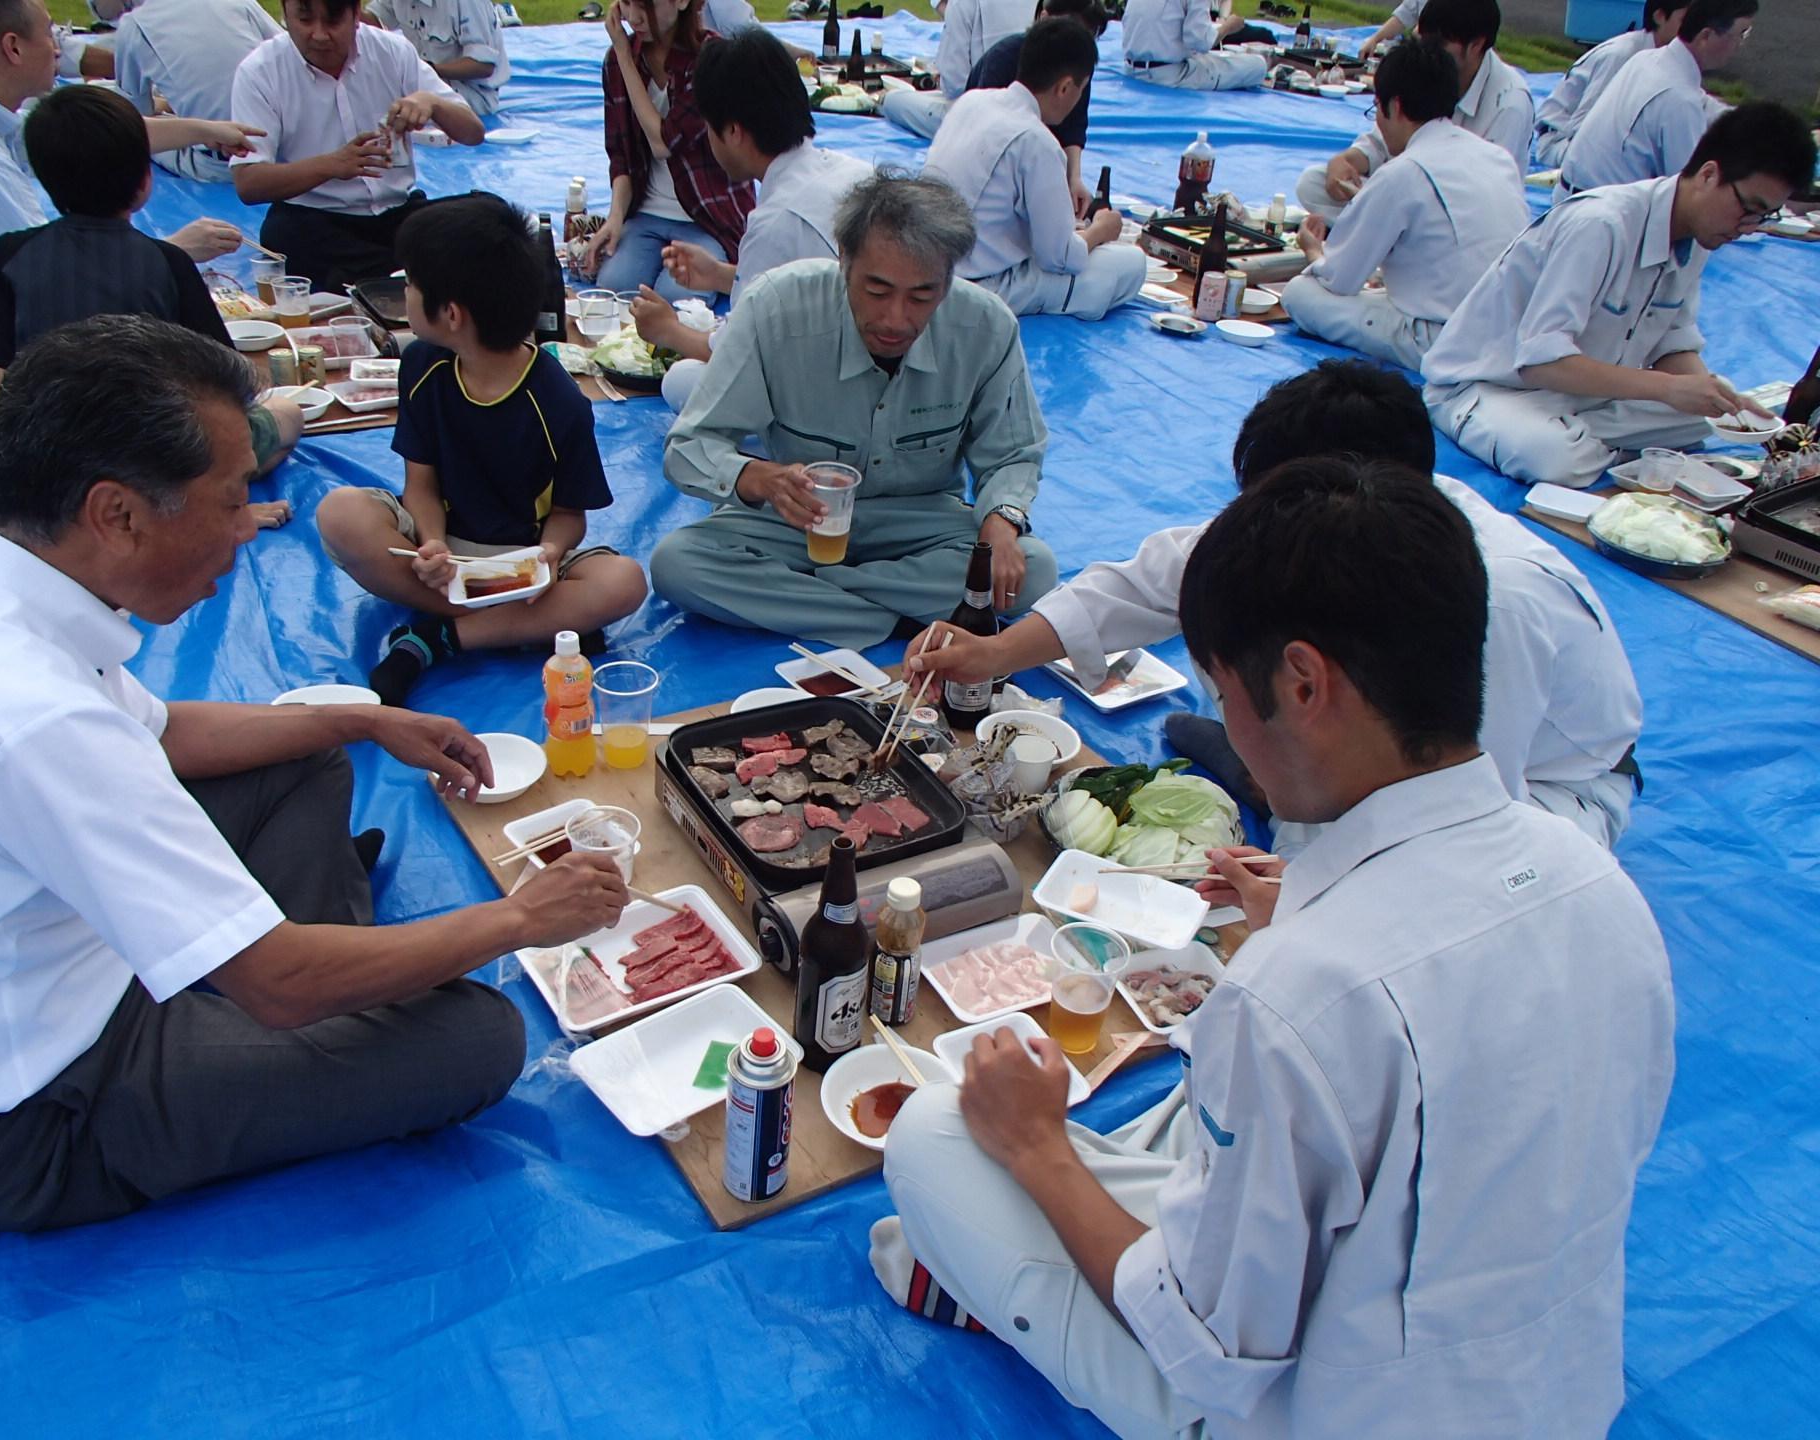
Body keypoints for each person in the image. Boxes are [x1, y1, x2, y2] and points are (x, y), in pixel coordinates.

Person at [871, 455, 1675, 1440]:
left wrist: (1037, 1147)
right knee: (1195, 1104)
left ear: (1301, 682)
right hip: (1549, 1395)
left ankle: (993, 1281)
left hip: (1310, 1413)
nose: (1224, 724)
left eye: (1219, 690)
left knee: (935, 1136)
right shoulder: (1598, 883)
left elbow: (1211, 1348)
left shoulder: (1304, 994)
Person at [0, 315, 632, 1234]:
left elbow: (158, 731)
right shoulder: (35, 721)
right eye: (230, 500)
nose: (250, 529)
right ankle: (328, 991)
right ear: (115, 513)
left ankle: (333, 980)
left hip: (49, 955)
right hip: (37, 1110)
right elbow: (277, 985)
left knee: (300, 742)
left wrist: (364, 718)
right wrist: (525, 916)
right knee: (477, 1039)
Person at [907, 358, 1647, 847]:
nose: (1261, 521)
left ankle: (1258, 774)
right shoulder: (1328, 524)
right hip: (1373, 746)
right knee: (1240, 631)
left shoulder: (1503, 602)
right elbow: (1153, 578)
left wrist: (1304, 890)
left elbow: (1466, 809)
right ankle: (1261, 768)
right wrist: (996, 652)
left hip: (1539, 795)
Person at [652, 172, 1056, 650]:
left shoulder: (986, 326)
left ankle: (832, 605)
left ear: (948, 282)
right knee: (677, 563)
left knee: (1034, 567)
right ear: (843, 261)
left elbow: (1011, 455)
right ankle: (895, 616)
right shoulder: (776, 308)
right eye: (877, 290)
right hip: (801, 520)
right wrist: (760, 478)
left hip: (919, 523)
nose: (895, 319)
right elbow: (689, 447)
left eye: (922, 296)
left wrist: (1000, 524)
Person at [315, 194, 647, 707]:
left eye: (409, 285)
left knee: (624, 582)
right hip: (443, 557)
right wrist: (432, 545)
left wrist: (549, 556)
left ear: (450, 313)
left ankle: (442, 636)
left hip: (520, 564)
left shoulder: (557, 400)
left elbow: (567, 517)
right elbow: (419, 486)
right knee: (340, 514)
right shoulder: (423, 366)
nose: (404, 294)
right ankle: (526, 626)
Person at [1423, 103, 1814, 489]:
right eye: (1749, 209)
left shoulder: (1699, 236)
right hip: (1491, 387)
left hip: (1583, 396)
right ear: (1709, 174)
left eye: (1764, 217)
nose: (1748, 228)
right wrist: (1669, 389)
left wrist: (1716, 402)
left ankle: (1587, 440)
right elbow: (1541, 362)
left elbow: (1672, 341)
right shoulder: (1601, 225)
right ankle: (1599, 447)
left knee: (1711, 411)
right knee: (1551, 456)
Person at [0, 85, 301, 535]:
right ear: (145, 183)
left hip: (48, 461)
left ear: (44, 179)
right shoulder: (166, 262)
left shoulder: (8, 255)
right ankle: (209, 506)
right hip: (153, 471)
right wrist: (232, 500)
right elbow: (228, 392)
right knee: (285, 413)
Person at [0, 0, 255, 406]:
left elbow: (89, 134)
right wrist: (171, 253)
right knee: (161, 367)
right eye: (51, 34)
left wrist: (201, 130)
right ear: (13, 48)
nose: (57, 49)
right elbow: (59, 277)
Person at [629, 26, 872, 411]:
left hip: (834, 397)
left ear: (734, 132)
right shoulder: (854, 170)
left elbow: (736, 356)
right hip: (879, 368)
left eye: (709, 129)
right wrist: (721, 276)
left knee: (681, 382)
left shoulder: (776, 221)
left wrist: (669, 331)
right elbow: (805, 281)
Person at [1282, 38, 1527, 370]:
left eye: (1377, 110)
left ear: (1394, 107)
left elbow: (1337, 280)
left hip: (1441, 340)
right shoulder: (1496, 157)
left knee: (1300, 294)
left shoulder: (1403, 172)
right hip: (1508, 332)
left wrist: (1312, 249)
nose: (1379, 125)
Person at [231, 0, 486, 291]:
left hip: (399, 214)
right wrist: (332, 165)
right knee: (284, 235)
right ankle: (410, 276)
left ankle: (376, 280)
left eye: (333, 20)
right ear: (284, 12)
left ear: (356, 13)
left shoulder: (392, 52)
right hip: (318, 220)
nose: (319, 34)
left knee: (489, 214)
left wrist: (433, 102)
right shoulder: (261, 71)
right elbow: (248, 181)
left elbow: (473, 132)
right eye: (304, 20)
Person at [922, 18, 1144, 319]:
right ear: (1065, 87)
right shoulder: (1036, 141)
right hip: (977, 288)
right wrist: (1099, 231)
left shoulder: (972, 101)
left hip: (925, 261)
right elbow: (1061, 258)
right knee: (1129, 264)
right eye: (1081, 89)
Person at [1296, 0, 1531, 222]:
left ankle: (1384, 237)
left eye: (1439, 44)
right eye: (1423, 39)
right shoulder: (1429, 66)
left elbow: (1484, 196)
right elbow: (1383, 140)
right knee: (1313, 183)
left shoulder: (1509, 105)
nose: (1429, 51)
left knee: (1396, 211)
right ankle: (1387, 236)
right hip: (1411, 195)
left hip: (1460, 215)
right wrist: (1345, 161)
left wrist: (1395, 193)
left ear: (1476, 45)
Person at [583, 0, 753, 301]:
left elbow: (663, 142)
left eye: (645, 5)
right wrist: (615, 217)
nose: (634, 17)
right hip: (646, 215)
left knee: (677, 300)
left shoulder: (711, 60)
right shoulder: (617, 60)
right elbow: (620, 154)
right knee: (612, 291)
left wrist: (624, 56)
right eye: (626, 3)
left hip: (707, 218)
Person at [878, 0, 1107, 210]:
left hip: (988, 125)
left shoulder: (1075, 66)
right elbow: (1058, 252)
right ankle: (884, 99)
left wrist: (1073, 178)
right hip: (971, 120)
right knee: (898, 103)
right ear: (1045, 19)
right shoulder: (1005, 58)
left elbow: (1074, 127)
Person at [1556, 0, 1754, 195]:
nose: (1740, 45)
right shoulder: (1679, 97)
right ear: (1706, 36)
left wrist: (1754, 126)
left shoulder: (1648, 60)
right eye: (1741, 34)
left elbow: (1706, 105)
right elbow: (1690, 194)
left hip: (1576, 195)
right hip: (1600, 210)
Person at [114, 0, 282, 182]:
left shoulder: (135, 25)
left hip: (225, 162)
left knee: (136, 139)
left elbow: (131, 122)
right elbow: (290, 51)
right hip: (288, 145)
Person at [1535, 0, 1689, 172]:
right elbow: (1583, 126)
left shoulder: (1668, 57)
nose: (1692, 30)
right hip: (1561, 142)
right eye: (1685, 21)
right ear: (1659, 16)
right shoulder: (1621, 56)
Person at [366, 0, 509, 119]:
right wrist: (348, 10)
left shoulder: (468, 3)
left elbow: (482, 65)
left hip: (471, 97)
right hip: (423, 85)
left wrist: (428, 71)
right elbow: (371, 21)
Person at [1119, 0, 1267, 90]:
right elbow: (1199, 41)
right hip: (1168, 75)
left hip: (1131, 68)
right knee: (1257, 65)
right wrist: (1228, 27)